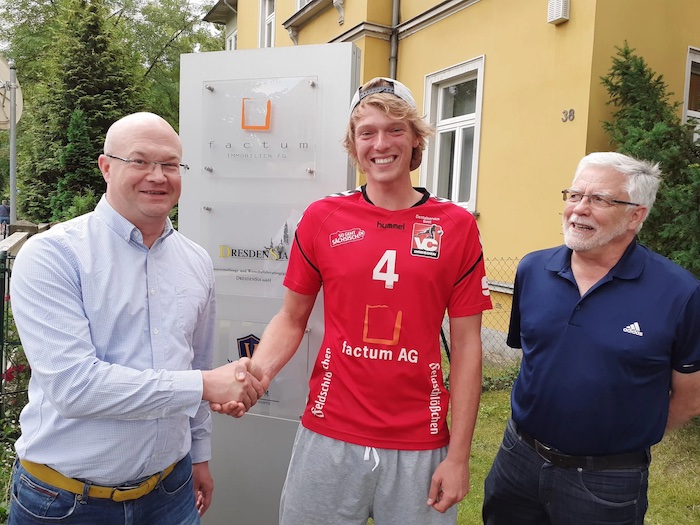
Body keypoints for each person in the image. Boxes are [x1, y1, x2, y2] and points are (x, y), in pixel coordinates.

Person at [215, 77, 493, 524]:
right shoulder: (324, 217)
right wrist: (256, 379)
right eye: (367, 132)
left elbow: (466, 347)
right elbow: (291, 317)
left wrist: (458, 457)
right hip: (330, 431)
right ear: (353, 144)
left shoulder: (456, 225)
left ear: (416, 139)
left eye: (395, 129)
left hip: (420, 441)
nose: (381, 144)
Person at [8, 112, 265, 525]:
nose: (158, 176)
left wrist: (199, 454)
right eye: (140, 161)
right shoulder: (53, 256)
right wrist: (204, 385)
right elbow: (74, 387)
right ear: (106, 167)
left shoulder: (195, 261)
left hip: (172, 492)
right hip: (65, 502)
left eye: (169, 164)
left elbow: (194, 363)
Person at [482, 152, 700, 525]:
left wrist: (625, 439)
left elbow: (691, 396)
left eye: (599, 199)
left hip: (607, 480)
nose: (579, 209)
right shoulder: (533, 269)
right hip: (517, 459)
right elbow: (535, 359)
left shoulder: (680, 293)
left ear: (636, 215)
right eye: (574, 195)